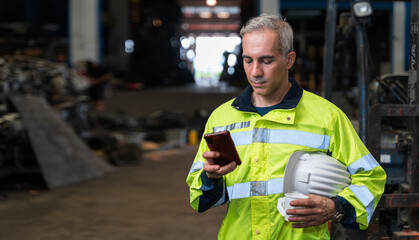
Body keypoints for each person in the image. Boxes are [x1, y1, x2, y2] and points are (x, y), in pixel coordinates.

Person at [186, 14, 386, 239]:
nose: (255, 72)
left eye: (266, 60)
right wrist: (210, 179)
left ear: (289, 60)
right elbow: (199, 197)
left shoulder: (327, 117)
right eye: (248, 60)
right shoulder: (222, 119)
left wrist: (335, 207)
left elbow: (371, 177)